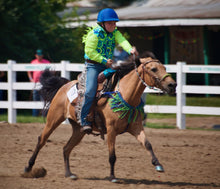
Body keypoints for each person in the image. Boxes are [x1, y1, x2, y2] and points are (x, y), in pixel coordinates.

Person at [81, 8, 139, 134]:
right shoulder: (94, 34)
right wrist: (103, 60)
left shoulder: (115, 32)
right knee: (90, 90)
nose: (113, 25)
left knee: (121, 84)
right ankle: (84, 119)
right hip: (93, 66)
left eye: (114, 23)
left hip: (107, 65)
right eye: (110, 23)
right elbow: (89, 51)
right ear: (102, 24)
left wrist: (130, 50)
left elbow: (122, 40)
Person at [27, 49, 50, 116]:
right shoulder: (33, 62)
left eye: (40, 55)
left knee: (44, 99)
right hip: (35, 83)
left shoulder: (46, 62)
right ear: (36, 55)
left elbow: (51, 71)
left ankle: (44, 115)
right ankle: (35, 115)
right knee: (35, 99)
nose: (39, 56)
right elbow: (29, 72)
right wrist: (31, 79)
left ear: (42, 55)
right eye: (38, 55)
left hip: (44, 83)